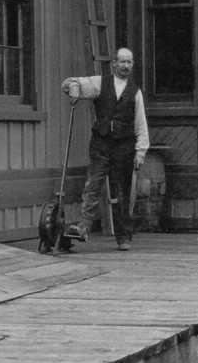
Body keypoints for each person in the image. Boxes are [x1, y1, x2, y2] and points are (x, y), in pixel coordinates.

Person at [60, 48, 149, 251]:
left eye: (129, 62)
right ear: (114, 63)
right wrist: (74, 88)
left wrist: (140, 152)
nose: (126, 66)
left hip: (124, 148)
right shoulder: (100, 83)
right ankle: (83, 228)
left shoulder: (135, 92)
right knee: (92, 186)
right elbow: (69, 83)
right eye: (122, 62)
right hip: (101, 144)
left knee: (123, 193)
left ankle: (123, 238)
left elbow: (141, 125)